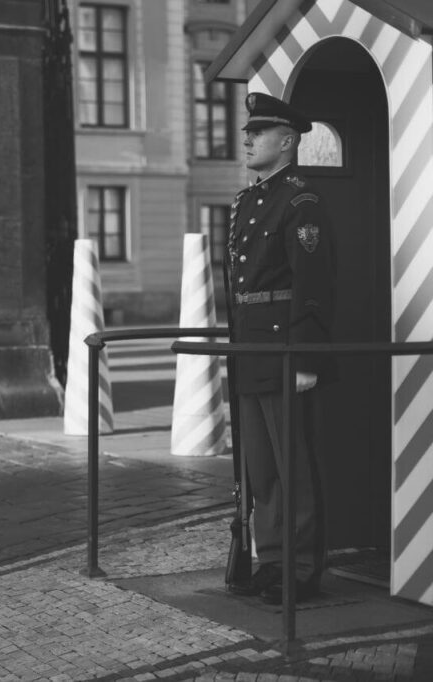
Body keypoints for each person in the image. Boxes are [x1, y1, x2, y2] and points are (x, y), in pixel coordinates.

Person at [224, 93, 336, 604]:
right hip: (250, 348)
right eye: (248, 132)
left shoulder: (300, 201)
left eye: (259, 133)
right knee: (261, 468)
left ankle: (303, 567)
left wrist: (307, 358)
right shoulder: (247, 201)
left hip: (284, 346)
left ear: (287, 141)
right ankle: (272, 560)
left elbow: (313, 284)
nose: (247, 139)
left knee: (293, 461)